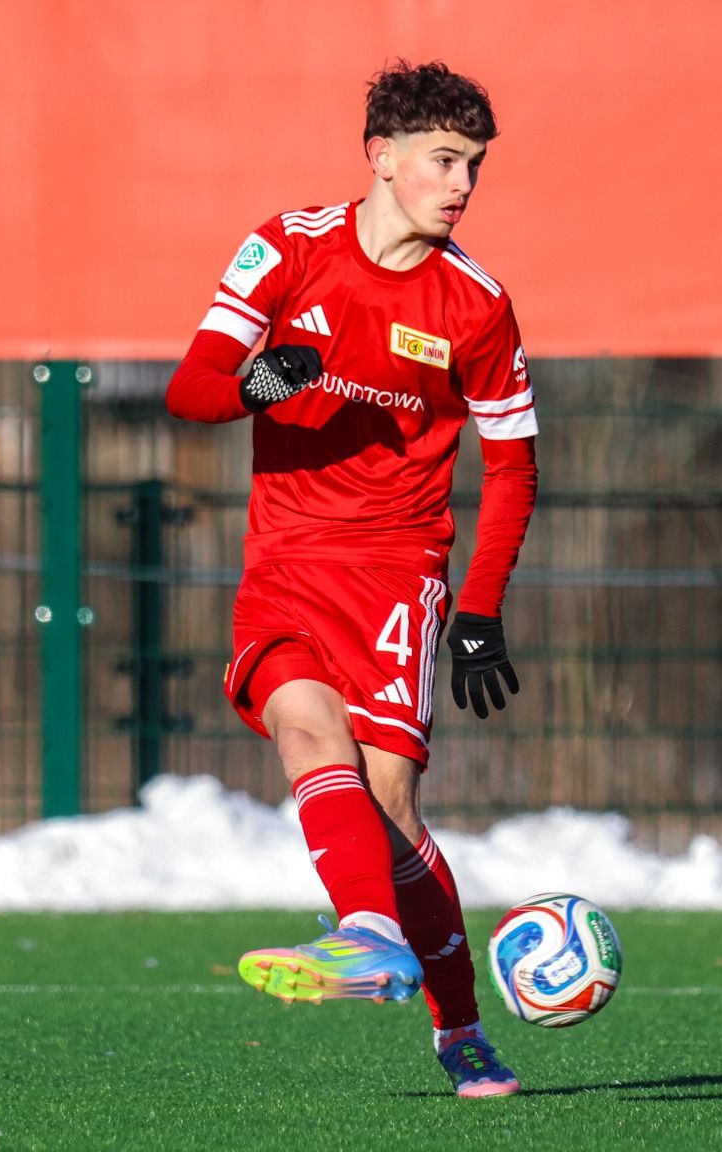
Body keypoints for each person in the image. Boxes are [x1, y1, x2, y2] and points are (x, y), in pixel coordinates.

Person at [164, 59, 537, 1099]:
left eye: (473, 167)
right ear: (382, 157)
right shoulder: (287, 247)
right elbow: (190, 391)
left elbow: (512, 464)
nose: (462, 185)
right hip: (283, 564)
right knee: (302, 731)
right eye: (444, 161)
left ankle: (459, 1030)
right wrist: (253, 383)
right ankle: (369, 932)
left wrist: (477, 612)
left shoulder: (476, 304)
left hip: (394, 573)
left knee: (391, 805)